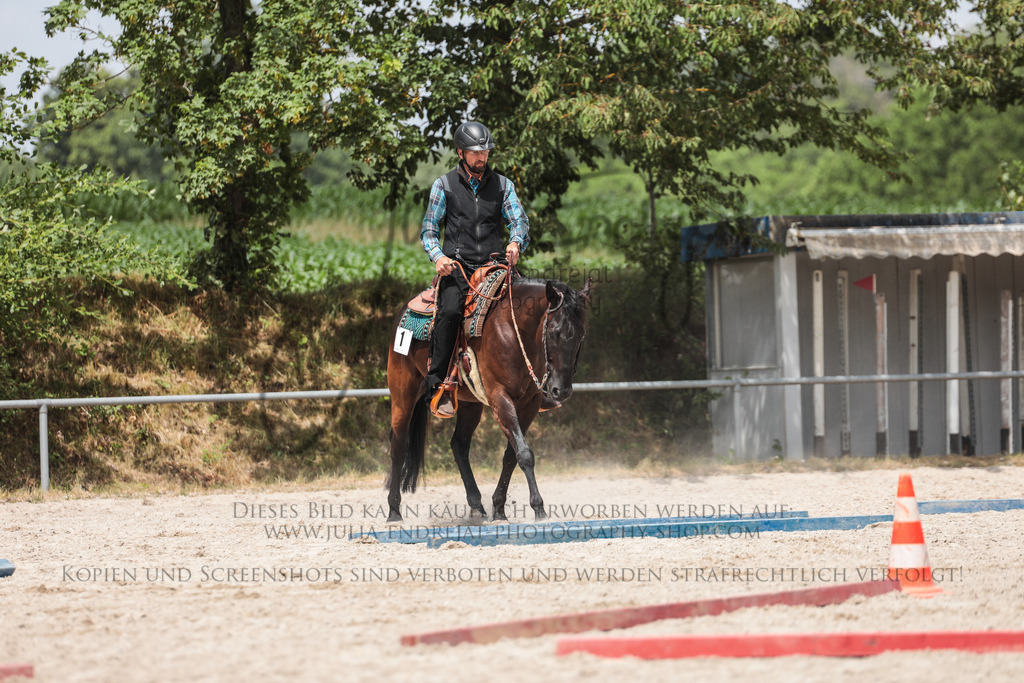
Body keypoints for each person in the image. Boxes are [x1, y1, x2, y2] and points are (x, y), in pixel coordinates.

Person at [420, 120, 530, 418]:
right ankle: (438, 383)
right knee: (451, 311)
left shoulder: (503, 185)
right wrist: (438, 256)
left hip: (495, 265)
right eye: (475, 153)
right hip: (458, 268)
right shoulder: (443, 186)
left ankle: (535, 383)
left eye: (485, 152)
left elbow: (519, 221)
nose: (482, 157)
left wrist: (516, 242)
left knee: (526, 306)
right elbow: (429, 229)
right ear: (460, 153)